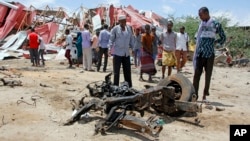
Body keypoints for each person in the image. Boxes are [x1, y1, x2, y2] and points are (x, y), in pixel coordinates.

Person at [193, 7, 226, 102]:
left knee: (208, 76)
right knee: (196, 75)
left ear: (206, 13)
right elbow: (197, 37)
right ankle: (195, 95)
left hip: (210, 54)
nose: (200, 17)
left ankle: (204, 95)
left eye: (201, 15)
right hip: (200, 53)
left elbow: (223, 37)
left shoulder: (216, 24)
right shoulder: (201, 25)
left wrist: (216, 43)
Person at [108, 14, 134, 87]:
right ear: (119, 21)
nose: (123, 23)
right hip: (118, 53)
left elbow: (131, 39)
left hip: (126, 53)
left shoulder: (129, 28)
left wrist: (133, 48)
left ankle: (129, 86)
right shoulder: (115, 29)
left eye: (125, 21)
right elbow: (111, 40)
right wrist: (109, 49)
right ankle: (115, 86)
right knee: (116, 72)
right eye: (122, 21)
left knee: (127, 71)